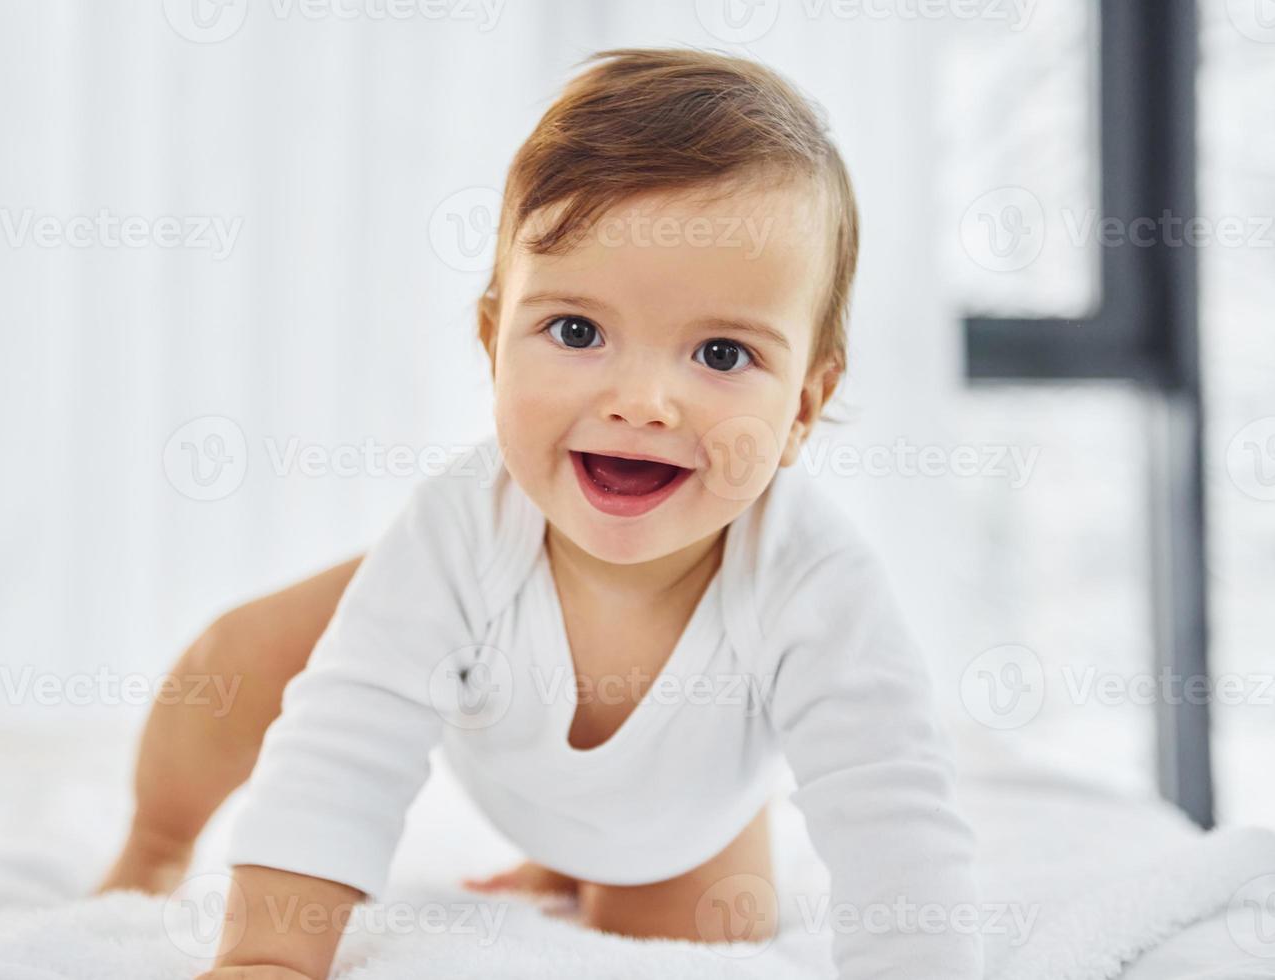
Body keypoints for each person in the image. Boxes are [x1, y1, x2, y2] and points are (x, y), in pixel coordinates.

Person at [100, 46, 984, 980]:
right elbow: (342, 749)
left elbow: (893, 809)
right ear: (494, 342)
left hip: (683, 812)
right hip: (467, 647)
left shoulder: (815, 580)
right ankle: (152, 840)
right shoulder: (456, 532)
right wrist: (268, 958)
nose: (643, 402)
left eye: (722, 354)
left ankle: (573, 858)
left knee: (704, 933)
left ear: (803, 407)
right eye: (577, 332)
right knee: (244, 665)